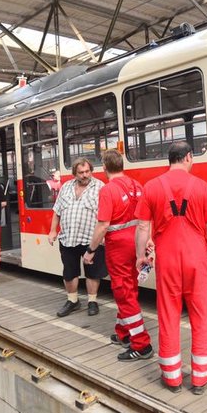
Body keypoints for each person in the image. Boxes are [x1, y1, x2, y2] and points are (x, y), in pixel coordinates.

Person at [135, 141, 207, 394]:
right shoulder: (201, 186)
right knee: (200, 316)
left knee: (169, 315)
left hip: (167, 260)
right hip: (195, 258)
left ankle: (172, 377)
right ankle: (201, 378)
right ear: (188, 157)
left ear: (169, 160)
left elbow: (142, 227)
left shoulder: (152, 187)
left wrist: (141, 255)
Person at [83, 150, 153, 361]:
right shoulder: (137, 186)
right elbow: (145, 220)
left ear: (104, 168)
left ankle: (141, 344)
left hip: (119, 247)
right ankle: (123, 333)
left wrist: (90, 250)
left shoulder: (107, 190)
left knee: (124, 292)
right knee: (130, 287)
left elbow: (103, 225)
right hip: (137, 243)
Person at [48, 157, 106, 317]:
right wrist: (53, 231)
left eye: (87, 171)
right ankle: (72, 300)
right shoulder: (66, 187)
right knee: (69, 272)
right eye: (81, 172)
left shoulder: (100, 187)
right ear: (75, 173)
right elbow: (57, 211)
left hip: (91, 239)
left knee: (93, 272)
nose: (85, 175)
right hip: (68, 238)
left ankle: (92, 301)